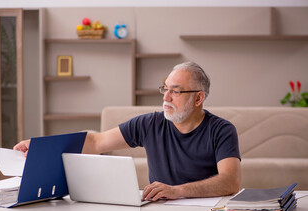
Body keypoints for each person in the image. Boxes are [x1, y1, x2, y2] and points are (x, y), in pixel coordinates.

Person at [14, 61, 241, 202]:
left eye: (176, 92)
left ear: (199, 98)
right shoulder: (150, 124)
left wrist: (176, 191)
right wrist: (39, 145)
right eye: (165, 89)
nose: (166, 98)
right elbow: (95, 141)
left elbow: (230, 181)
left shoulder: (221, 130)